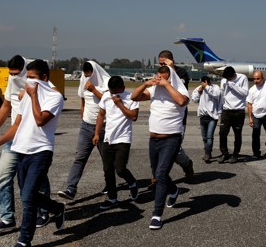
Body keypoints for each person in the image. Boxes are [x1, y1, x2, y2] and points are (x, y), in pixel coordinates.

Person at [0, 59, 65, 247]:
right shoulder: (25, 97)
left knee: (28, 197)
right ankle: (57, 208)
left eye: (32, 78)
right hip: (21, 150)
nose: (28, 82)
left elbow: (40, 120)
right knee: (26, 193)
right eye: (27, 78)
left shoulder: (54, 97)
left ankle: (24, 240)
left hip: (41, 152)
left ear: (45, 78)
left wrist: (33, 96)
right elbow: (16, 126)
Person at [131, 65, 189, 230]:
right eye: (158, 76)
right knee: (156, 173)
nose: (160, 79)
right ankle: (174, 190)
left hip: (171, 139)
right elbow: (134, 97)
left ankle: (157, 214)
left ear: (170, 78)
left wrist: (166, 85)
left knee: (161, 175)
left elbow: (181, 101)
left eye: (163, 77)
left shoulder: (180, 90)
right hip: (153, 139)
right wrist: (146, 84)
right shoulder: (153, 90)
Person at [57, 61, 109, 201]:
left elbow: (109, 101)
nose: (88, 77)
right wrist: (82, 115)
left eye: (90, 74)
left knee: (107, 160)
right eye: (86, 75)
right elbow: (83, 100)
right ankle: (71, 188)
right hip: (86, 126)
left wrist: (94, 90)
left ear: (95, 72)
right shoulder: (83, 79)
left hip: (103, 127)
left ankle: (110, 185)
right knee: (79, 158)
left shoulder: (106, 81)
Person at [148, 51, 194, 189]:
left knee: (175, 150)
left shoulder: (182, 73)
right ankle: (158, 177)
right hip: (161, 115)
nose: (162, 66)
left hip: (177, 117)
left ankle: (186, 163)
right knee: (157, 152)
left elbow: (181, 92)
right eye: (160, 63)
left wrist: (172, 69)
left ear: (171, 61)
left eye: (164, 63)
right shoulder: (160, 73)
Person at [92, 76, 139, 209]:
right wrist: (96, 133)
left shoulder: (131, 98)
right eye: (112, 92)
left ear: (123, 88)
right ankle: (112, 199)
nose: (113, 95)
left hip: (123, 138)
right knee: (108, 170)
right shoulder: (106, 97)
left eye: (116, 92)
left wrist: (119, 103)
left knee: (120, 168)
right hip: (108, 138)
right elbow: (101, 115)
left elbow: (133, 116)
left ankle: (132, 182)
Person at [218, 66, 249, 164]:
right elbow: (222, 95)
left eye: (229, 78)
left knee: (237, 134)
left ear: (234, 75)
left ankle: (235, 155)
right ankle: (224, 153)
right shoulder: (224, 81)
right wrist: (220, 109)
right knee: (222, 133)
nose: (227, 80)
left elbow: (245, 93)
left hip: (238, 111)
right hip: (226, 111)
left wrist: (233, 85)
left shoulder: (242, 78)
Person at [191, 75, 222, 163]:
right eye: (203, 82)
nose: (204, 84)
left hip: (212, 116)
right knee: (204, 137)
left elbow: (216, 95)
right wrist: (199, 92)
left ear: (209, 82)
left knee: (209, 136)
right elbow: (194, 99)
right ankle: (207, 152)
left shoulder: (215, 88)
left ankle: (208, 153)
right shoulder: (199, 88)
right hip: (203, 116)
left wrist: (207, 87)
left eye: (207, 82)